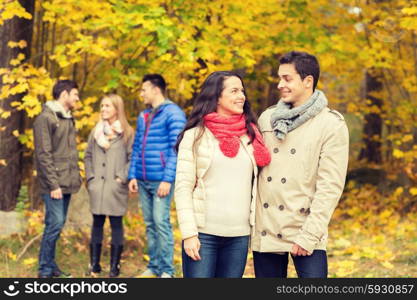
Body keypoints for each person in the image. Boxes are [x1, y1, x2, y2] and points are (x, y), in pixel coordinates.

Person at [252, 51, 349, 278]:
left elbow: (330, 187)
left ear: (308, 81)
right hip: (267, 227)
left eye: (287, 78)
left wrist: (310, 235)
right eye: (279, 78)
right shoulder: (268, 118)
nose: (279, 84)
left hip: (305, 228)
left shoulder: (330, 124)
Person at [174, 71, 271, 278]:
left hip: (239, 236)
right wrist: (190, 234)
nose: (241, 96)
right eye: (234, 91)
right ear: (216, 96)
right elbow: (182, 188)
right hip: (203, 234)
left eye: (242, 91)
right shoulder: (195, 136)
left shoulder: (251, 136)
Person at [128, 74, 186, 278]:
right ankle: (153, 267)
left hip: (161, 180)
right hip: (143, 179)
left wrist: (167, 179)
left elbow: (176, 148)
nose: (141, 93)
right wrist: (132, 175)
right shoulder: (143, 116)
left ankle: (167, 271)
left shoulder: (174, 113)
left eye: (144, 89)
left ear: (156, 89)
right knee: (150, 224)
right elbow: (136, 147)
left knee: (161, 223)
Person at [33, 80, 82, 278]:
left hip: (67, 182)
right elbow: (43, 154)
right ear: (64, 94)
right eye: (75, 95)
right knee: (55, 224)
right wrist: (53, 185)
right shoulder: (45, 118)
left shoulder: (68, 118)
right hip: (54, 185)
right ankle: (44, 270)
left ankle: (50, 266)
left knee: (56, 224)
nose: (77, 99)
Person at [84, 94, 134, 277]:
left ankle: (114, 267)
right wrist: (91, 178)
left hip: (116, 187)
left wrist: (122, 177)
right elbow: (88, 156)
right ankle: (94, 265)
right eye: (102, 106)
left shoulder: (127, 133)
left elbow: (132, 158)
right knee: (97, 223)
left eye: (108, 106)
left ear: (117, 109)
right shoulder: (95, 131)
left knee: (116, 225)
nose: (103, 109)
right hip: (98, 186)